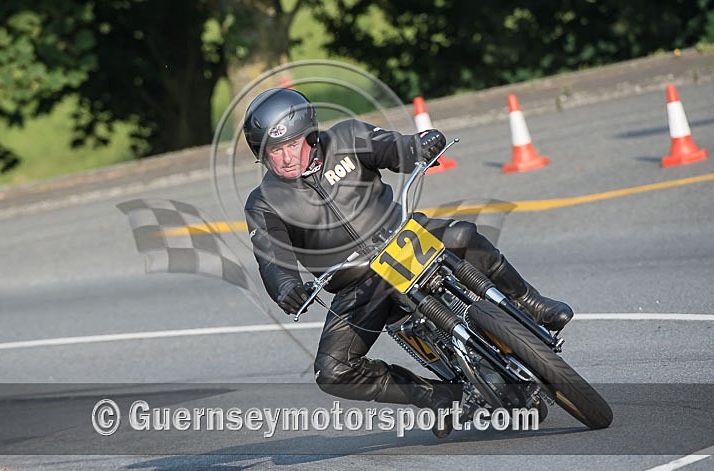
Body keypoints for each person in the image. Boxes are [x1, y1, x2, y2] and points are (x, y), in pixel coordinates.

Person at [242, 88, 572, 438]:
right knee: (332, 370)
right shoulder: (264, 203)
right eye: (275, 151)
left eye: (292, 145)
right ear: (262, 155)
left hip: (403, 239)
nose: (287, 157)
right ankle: (436, 395)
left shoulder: (347, 137)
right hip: (357, 284)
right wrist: (287, 288)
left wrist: (420, 145)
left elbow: (395, 148)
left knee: (461, 234)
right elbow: (271, 259)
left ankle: (531, 304)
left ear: (310, 134)